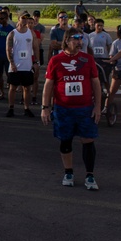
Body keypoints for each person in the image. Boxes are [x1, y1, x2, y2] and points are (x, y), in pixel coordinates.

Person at [41, 29, 102, 191]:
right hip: (63, 109)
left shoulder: (87, 59)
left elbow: (96, 83)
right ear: (67, 40)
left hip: (85, 109)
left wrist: (97, 107)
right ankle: (68, 172)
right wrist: (45, 107)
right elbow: (48, 85)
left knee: (88, 140)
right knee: (65, 140)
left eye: (81, 39)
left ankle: (90, 175)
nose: (79, 42)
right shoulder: (56, 60)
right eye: (76, 39)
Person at [6, 11, 40, 118]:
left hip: (27, 66)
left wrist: (36, 62)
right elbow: (8, 49)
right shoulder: (12, 33)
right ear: (19, 18)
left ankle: (27, 108)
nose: (25, 19)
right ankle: (11, 108)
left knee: (27, 88)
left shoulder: (31, 33)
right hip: (15, 66)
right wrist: (12, 63)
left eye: (27, 17)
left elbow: (35, 47)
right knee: (13, 88)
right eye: (23, 17)